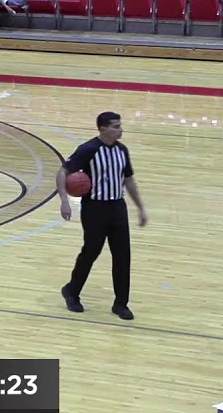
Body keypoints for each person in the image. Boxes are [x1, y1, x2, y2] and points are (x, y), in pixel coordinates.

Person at [59, 111, 148, 321]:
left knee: (122, 256)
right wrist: (64, 201)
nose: (120, 130)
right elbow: (62, 172)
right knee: (90, 253)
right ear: (103, 129)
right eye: (116, 126)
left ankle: (120, 303)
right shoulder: (88, 149)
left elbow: (129, 181)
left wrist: (140, 207)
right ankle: (71, 291)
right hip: (94, 209)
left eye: (120, 125)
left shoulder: (122, 150)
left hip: (118, 208)